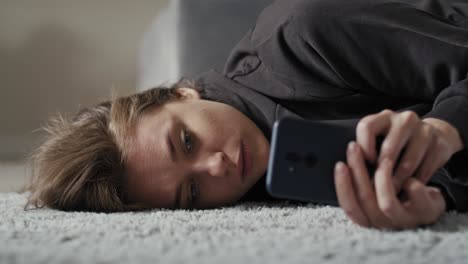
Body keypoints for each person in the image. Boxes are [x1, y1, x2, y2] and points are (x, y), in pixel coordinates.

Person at [23, 0, 468, 230]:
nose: (218, 168)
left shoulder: (305, 33)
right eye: (192, 193)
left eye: (186, 141)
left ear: (183, 93)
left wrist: (445, 131)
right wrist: (438, 195)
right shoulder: (266, 180)